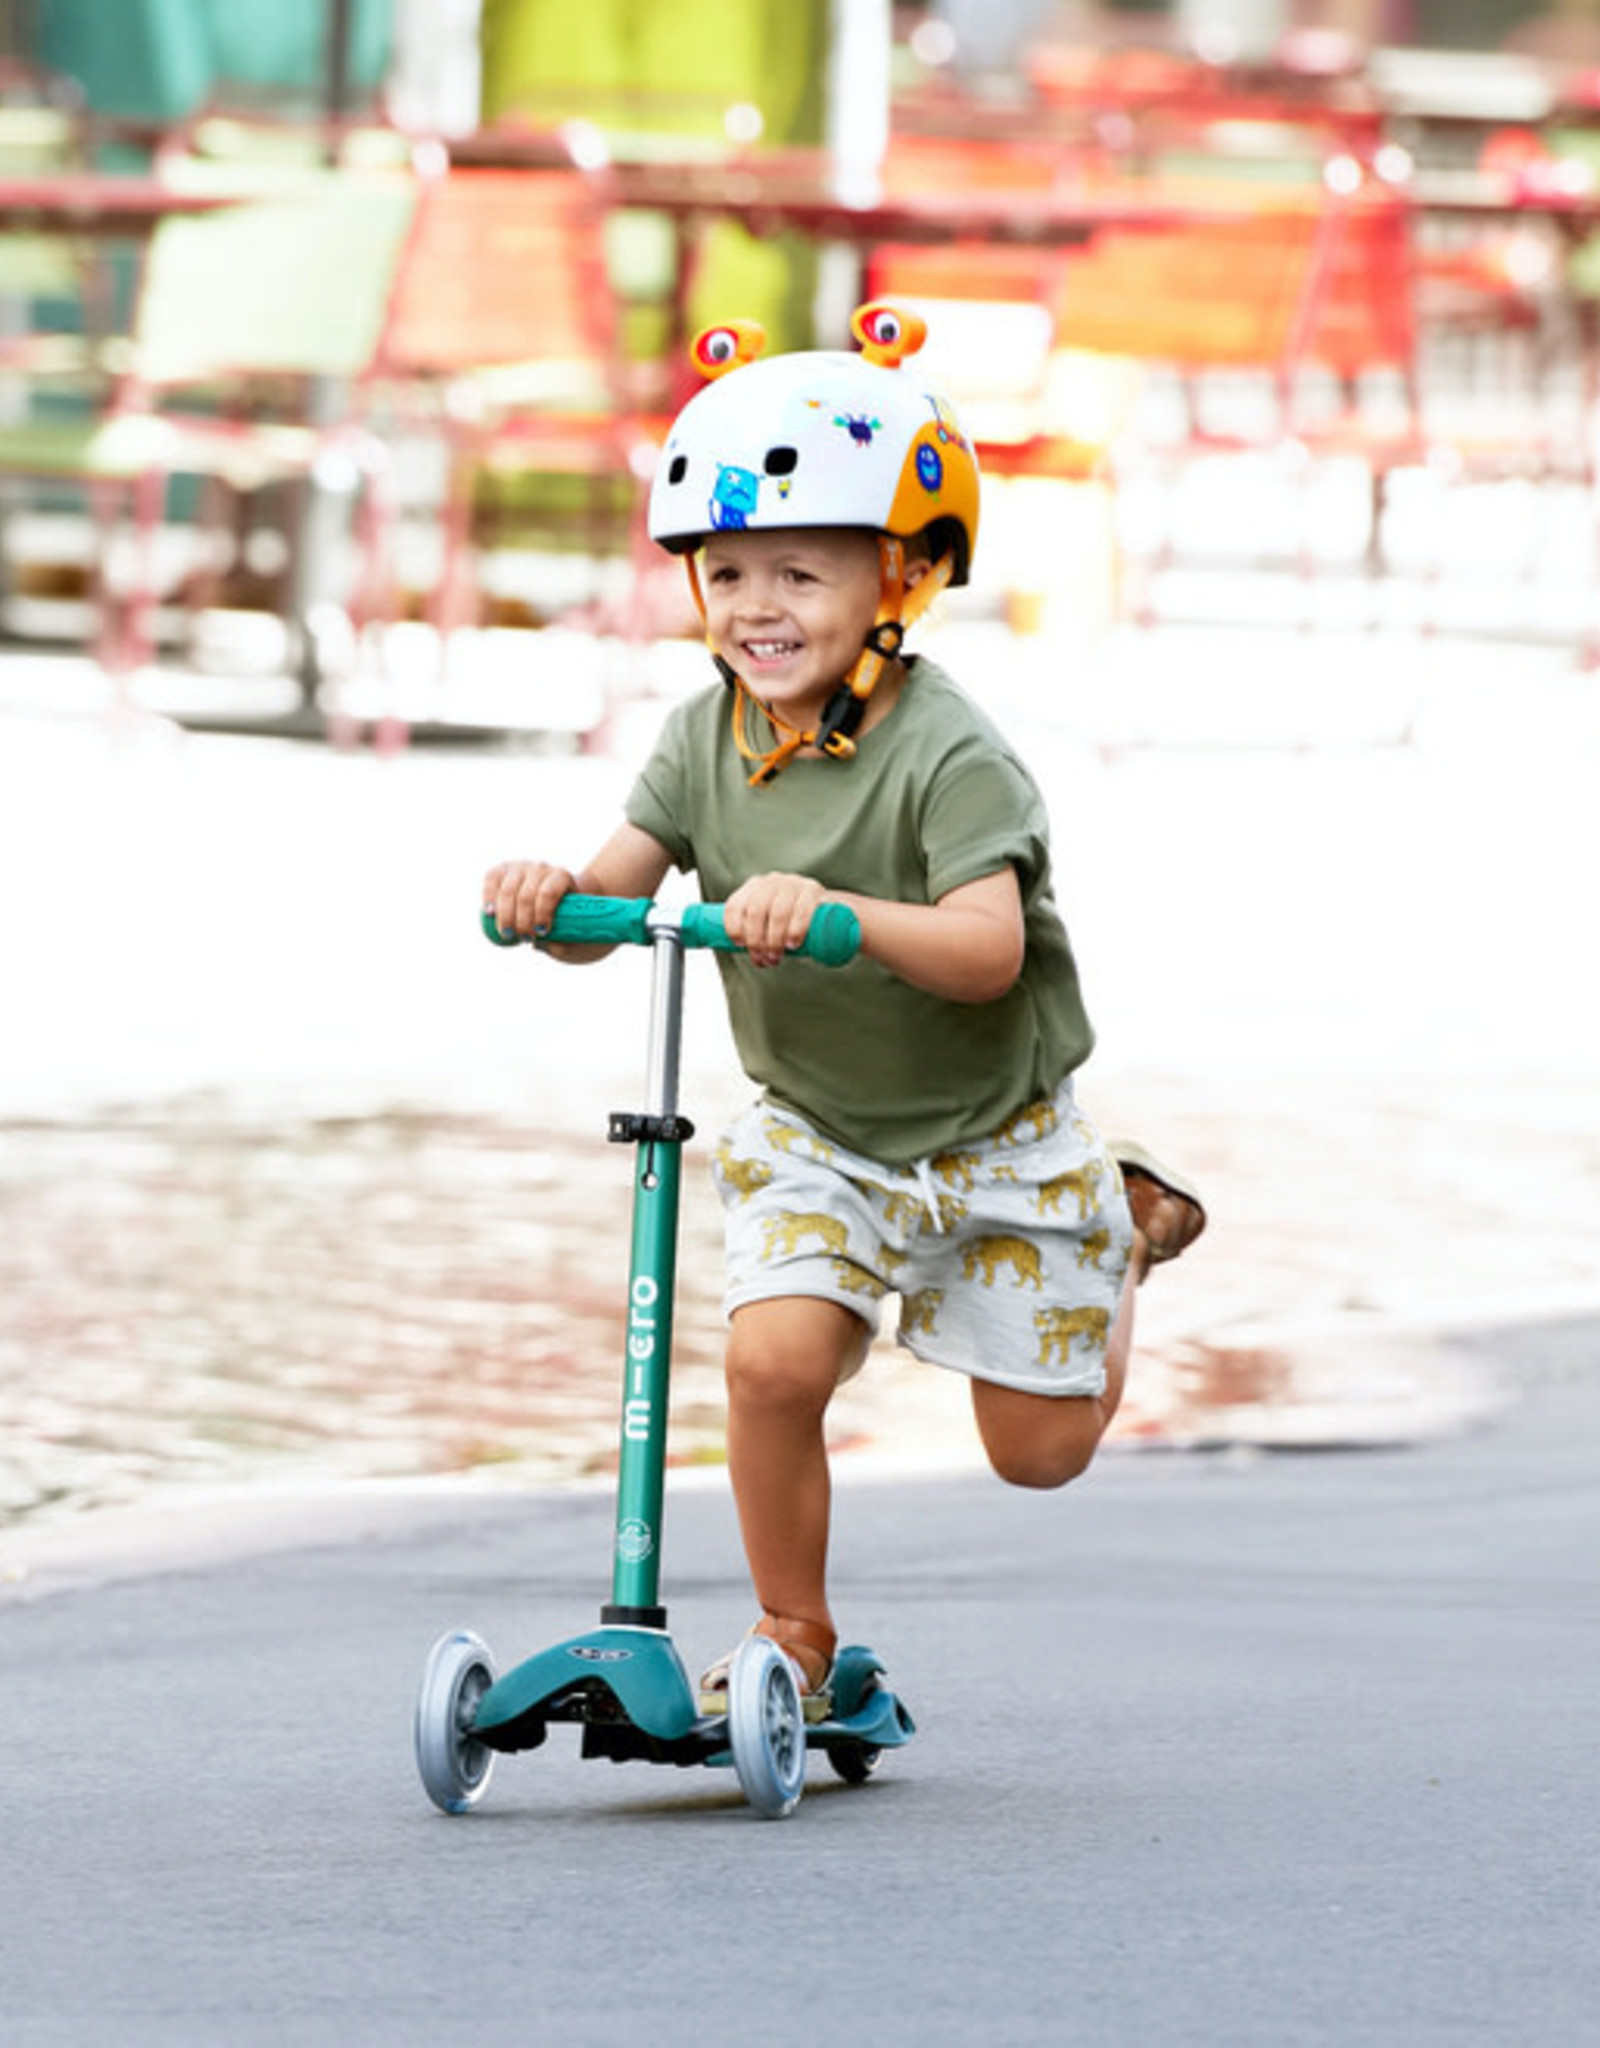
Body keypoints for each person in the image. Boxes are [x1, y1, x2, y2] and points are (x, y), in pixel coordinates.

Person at [482, 302, 1204, 1717]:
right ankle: (793, 1633)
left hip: (996, 1135)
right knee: (772, 1362)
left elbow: (987, 952)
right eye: (727, 571)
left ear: (903, 576)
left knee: (1039, 1455)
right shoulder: (699, 740)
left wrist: (839, 914)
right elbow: (612, 903)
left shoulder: (951, 752)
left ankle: (1120, 1233)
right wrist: (547, 899)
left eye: (801, 573)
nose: (757, 606)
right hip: (821, 1132)